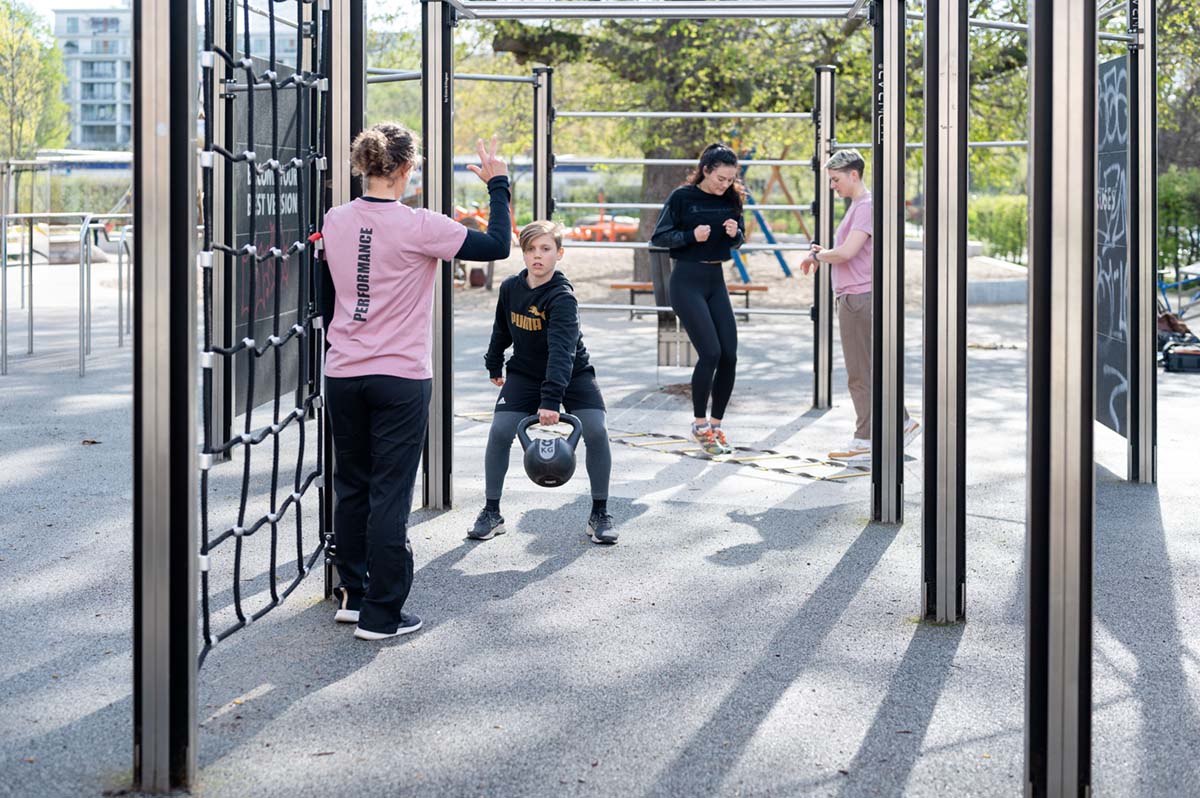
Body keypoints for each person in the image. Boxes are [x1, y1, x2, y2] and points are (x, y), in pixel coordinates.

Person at [320, 125, 511, 640]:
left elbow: (332, 289)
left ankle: (355, 597)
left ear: (365, 166)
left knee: (353, 487)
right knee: (390, 495)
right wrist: (498, 184)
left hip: (344, 373)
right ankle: (382, 616)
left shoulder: (336, 220)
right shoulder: (420, 224)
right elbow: (496, 247)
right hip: (399, 377)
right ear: (405, 170)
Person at [469, 221, 617, 545]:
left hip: (572, 374)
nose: (538, 256)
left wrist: (551, 400)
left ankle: (600, 513)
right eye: (531, 249)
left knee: (596, 430)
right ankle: (491, 512)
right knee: (499, 431)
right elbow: (501, 330)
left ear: (559, 253)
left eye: (546, 249)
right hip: (524, 373)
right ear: (523, 254)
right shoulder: (510, 288)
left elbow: (562, 352)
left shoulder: (562, 298)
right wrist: (494, 362)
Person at [800, 149, 919, 461]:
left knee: (859, 371)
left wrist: (817, 256)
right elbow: (847, 251)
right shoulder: (860, 206)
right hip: (858, 296)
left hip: (858, 298)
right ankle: (901, 422)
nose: (832, 186)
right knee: (870, 366)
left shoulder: (865, 206)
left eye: (836, 179)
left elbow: (848, 252)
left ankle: (866, 438)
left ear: (854, 174)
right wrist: (826, 252)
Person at [650, 143, 746, 456]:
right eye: (721, 178)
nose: (726, 185)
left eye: (730, 179)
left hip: (715, 280)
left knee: (729, 354)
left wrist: (736, 233)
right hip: (686, 281)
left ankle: (716, 425)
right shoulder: (682, 198)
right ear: (705, 170)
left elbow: (739, 239)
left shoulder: (732, 198)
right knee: (711, 352)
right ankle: (699, 423)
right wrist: (692, 236)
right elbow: (659, 237)